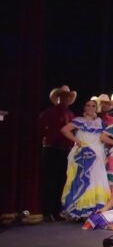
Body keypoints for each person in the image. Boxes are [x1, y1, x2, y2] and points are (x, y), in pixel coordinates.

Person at [60, 99, 110, 219]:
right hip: (84, 153)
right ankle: (80, 210)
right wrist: (78, 141)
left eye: (93, 106)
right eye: (88, 105)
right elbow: (64, 130)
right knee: (82, 179)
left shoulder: (100, 122)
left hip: (98, 152)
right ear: (84, 107)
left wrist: (108, 151)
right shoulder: (80, 121)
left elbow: (103, 138)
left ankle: (95, 209)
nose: (90, 107)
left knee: (97, 179)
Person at [38, 85, 76, 221]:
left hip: (65, 151)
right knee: (50, 180)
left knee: (62, 180)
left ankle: (57, 210)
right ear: (57, 98)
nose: (64, 98)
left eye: (67, 96)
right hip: (51, 149)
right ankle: (47, 211)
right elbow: (41, 130)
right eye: (62, 96)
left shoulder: (71, 115)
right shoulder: (48, 113)